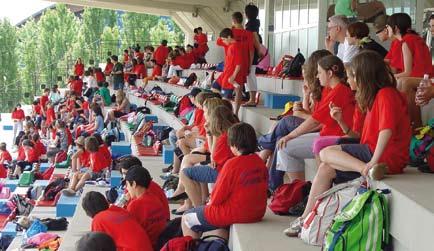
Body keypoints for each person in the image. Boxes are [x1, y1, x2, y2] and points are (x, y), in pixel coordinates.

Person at [285, 50, 412, 237]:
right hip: (371, 153)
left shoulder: (386, 94)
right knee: (325, 168)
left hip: (384, 157)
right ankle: (306, 218)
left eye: (352, 75)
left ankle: (365, 171)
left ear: (364, 75)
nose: (349, 79)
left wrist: (372, 162)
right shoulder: (373, 97)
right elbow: (358, 135)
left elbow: (387, 131)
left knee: (326, 153)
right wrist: (340, 121)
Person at [259, 50, 333, 190]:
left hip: (323, 131)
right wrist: (305, 98)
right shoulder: (319, 89)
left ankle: (264, 148)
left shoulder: (330, 90)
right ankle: (273, 186)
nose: (316, 75)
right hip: (315, 127)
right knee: (281, 138)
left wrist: (299, 115)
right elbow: (312, 115)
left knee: (286, 124)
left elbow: (318, 122)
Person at [182, 122, 268, 240]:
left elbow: (216, 199)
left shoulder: (232, 164)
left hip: (236, 213)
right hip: (257, 212)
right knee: (217, 227)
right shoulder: (259, 161)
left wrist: (207, 204)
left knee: (187, 218)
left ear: (234, 145)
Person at [276, 55, 355, 182]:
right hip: (326, 134)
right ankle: (300, 189)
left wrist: (290, 136)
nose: (317, 76)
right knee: (283, 145)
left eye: (319, 72)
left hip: (336, 137)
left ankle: (301, 190)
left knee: (284, 147)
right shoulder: (332, 89)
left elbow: (315, 121)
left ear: (329, 73)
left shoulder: (340, 90)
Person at [181, 105, 237, 209]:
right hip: (228, 169)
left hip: (223, 172)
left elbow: (214, 158)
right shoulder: (232, 130)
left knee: (185, 173)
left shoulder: (223, 136)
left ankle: (197, 208)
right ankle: (197, 201)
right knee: (196, 166)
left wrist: (209, 134)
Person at [387, 13, 432, 128]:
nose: (386, 29)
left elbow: (407, 72)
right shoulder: (408, 39)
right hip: (422, 76)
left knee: (403, 82)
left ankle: (415, 125)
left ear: (395, 28)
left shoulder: (407, 41)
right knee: (401, 81)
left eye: (388, 26)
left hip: (426, 77)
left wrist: (390, 77)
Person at [81, 191, 153, 251]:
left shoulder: (98, 219)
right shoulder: (119, 210)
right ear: (106, 201)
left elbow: (95, 246)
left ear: (89, 212)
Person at [116, 155, 169, 221]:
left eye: (128, 173)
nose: (126, 177)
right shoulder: (141, 185)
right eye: (124, 173)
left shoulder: (144, 190)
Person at [124, 166, 167, 248]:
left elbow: (128, 232)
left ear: (134, 184)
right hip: (160, 243)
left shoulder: (135, 205)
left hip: (147, 245)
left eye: (127, 185)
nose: (127, 188)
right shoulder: (155, 199)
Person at [216, 28, 248, 116]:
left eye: (224, 39)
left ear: (229, 37)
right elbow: (218, 41)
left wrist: (233, 76)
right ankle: (233, 114)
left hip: (232, 75)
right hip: (229, 74)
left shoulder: (236, 46)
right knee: (233, 93)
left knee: (227, 97)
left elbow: (239, 64)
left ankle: (232, 114)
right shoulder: (230, 45)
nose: (223, 41)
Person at [243, 4, 263, 107]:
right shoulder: (254, 23)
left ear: (247, 14)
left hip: (252, 54)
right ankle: (251, 98)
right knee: (249, 76)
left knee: (250, 75)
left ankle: (252, 99)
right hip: (252, 52)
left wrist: (259, 49)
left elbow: (254, 38)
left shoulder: (251, 25)